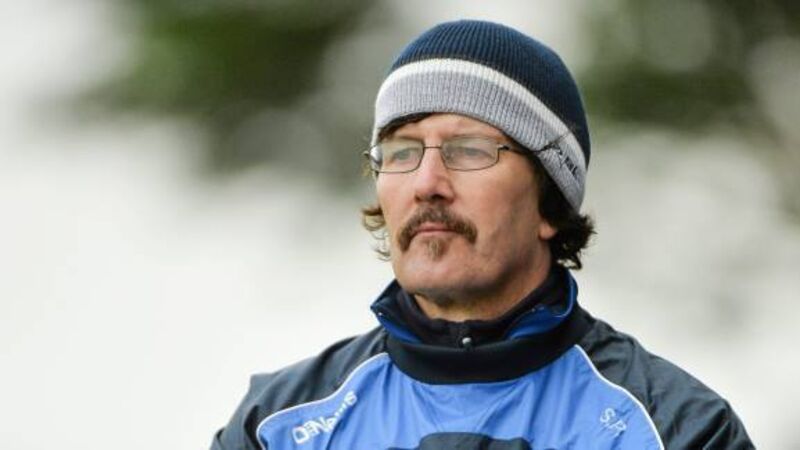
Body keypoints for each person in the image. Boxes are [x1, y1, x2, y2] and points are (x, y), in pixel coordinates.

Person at [210, 20, 754, 450]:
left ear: (549, 203)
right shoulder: (274, 426)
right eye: (401, 151)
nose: (427, 183)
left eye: (468, 150)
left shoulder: (675, 430)